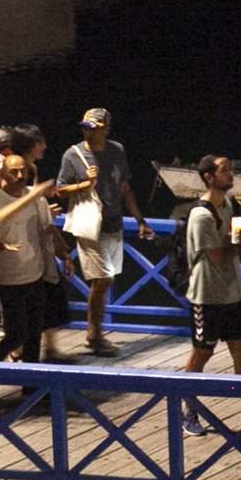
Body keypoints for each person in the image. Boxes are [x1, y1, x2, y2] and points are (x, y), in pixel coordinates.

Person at [180, 154, 241, 432]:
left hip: (232, 293)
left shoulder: (232, 205)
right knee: (202, 352)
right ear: (209, 177)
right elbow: (217, 257)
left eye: (230, 168)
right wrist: (232, 241)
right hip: (207, 296)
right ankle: (188, 411)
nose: (231, 173)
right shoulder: (201, 215)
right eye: (225, 170)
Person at [56, 106, 144, 357]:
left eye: (93, 129)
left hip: (113, 224)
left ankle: (95, 332)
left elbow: (124, 187)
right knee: (103, 279)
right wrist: (85, 183)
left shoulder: (117, 151)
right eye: (85, 128)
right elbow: (60, 190)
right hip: (89, 226)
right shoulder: (72, 155)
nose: (88, 133)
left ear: (106, 128)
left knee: (106, 281)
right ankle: (94, 335)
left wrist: (140, 219)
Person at [0, 152, 57, 375]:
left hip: (34, 272)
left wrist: (62, 254)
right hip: (8, 277)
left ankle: (30, 386)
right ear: (3, 174)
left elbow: (45, 229)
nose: (19, 175)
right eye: (13, 172)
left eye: (23, 170)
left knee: (34, 333)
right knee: (16, 335)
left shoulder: (37, 199)